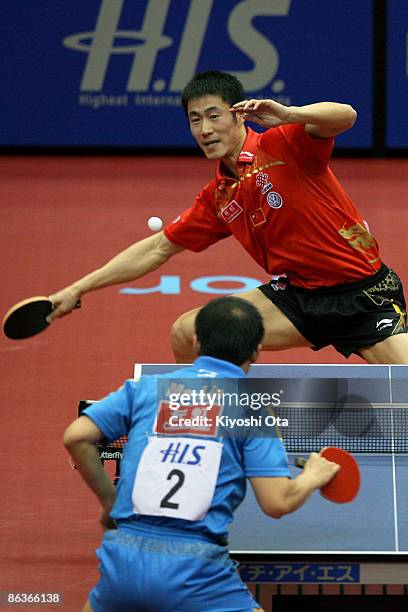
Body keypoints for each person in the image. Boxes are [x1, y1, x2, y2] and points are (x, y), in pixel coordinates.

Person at [48, 70, 408, 364]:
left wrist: (289, 114)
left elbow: (347, 116)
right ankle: (209, 432)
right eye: (195, 120)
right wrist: (79, 287)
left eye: (213, 116)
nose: (204, 130)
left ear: (238, 114)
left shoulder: (282, 144)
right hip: (298, 298)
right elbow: (156, 249)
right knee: (189, 333)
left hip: (364, 295)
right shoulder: (218, 197)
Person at [63, 296, 339, 612]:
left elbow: (76, 437)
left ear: (195, 342)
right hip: (195, 573)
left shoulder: (146, 388)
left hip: (122, 558)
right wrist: (313, 476)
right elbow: (278, 502)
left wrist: (108, 500)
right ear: (256, 351)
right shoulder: (252, 409)